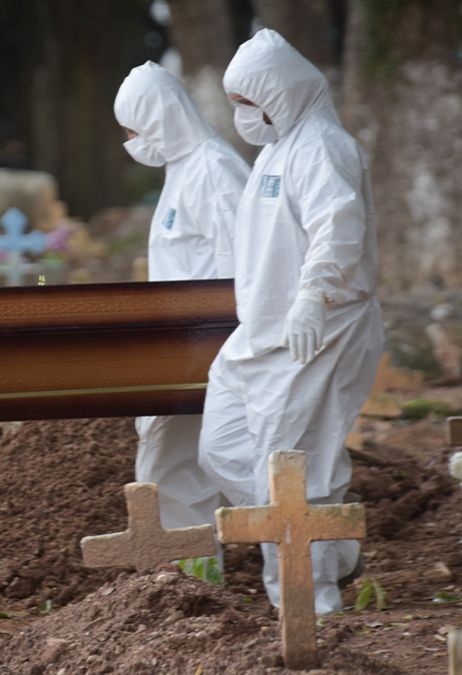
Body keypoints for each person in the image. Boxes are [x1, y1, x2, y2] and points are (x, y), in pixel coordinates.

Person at [198, 28, 381, 615]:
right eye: (236, 106)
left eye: (249, 103)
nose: (243, 117)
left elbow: (339, 225)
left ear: (282, 93)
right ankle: (328, 539)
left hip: (320, 330)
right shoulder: (277, 150)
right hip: (259, 336)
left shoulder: (323, 145)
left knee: (294, 465)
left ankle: (309, 606)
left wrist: (312, 296)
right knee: (221, 450)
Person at [114, 61, 248, 566]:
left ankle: (322, 548)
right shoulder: (183, 169)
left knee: (225, 455)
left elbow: (245, 266)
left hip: (214, 345)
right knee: (172, 460)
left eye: (135, 129)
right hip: (182, 345)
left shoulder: (215, 169)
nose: (131, 141)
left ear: (163, 117)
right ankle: (188, 574)